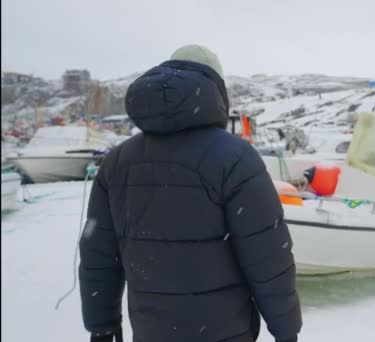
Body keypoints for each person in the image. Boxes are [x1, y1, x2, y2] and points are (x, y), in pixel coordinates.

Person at [79, 44, 302, 342]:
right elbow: (268, 256)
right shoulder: (235, 158)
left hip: (151, 333)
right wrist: (286, 330)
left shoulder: (117, 162)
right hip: (225, 332)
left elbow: (98, 256)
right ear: (216, 90)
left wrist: (102, 327)